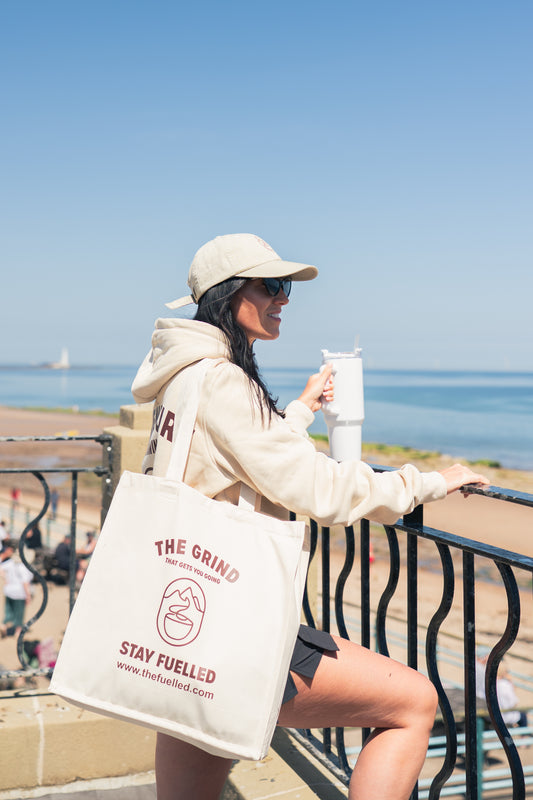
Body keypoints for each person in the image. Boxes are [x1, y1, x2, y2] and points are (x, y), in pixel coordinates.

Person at [132, 233, 489, 800]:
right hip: (231, 620)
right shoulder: (223, 380)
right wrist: (426, 482)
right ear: (229, 295)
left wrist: (296, 410)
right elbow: (317, 489)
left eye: (287, 287)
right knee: (413, 704)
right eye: (272, 285)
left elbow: (238, 461)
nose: (285, 298)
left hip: (186, 623)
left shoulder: (182, 375)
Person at [0, 539, 33, 638]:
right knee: (19, 612)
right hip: (19, 593)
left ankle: (4, 624)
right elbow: (25, 583)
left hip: (9, 590)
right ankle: (18, 631)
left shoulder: (11, 563)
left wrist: (6, 578)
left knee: (8, 610)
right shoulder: (23, 567)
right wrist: (28, 595)